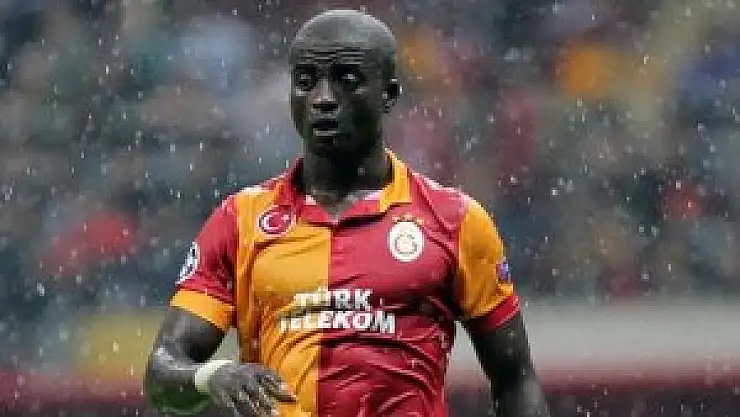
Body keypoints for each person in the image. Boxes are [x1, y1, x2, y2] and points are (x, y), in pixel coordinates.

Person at [144, 9, 550, 417]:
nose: (322, 98)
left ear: (389, 94)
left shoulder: (455, 220)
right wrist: (212, 376)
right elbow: (163, 373)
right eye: (306, 81)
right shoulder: (239, 221)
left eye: (347, 80)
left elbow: (515, 378)